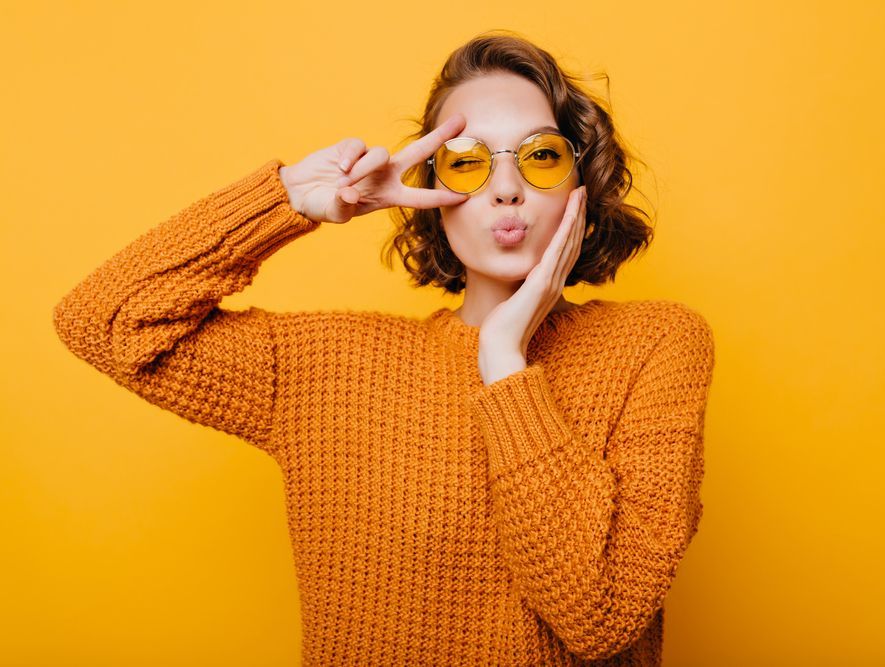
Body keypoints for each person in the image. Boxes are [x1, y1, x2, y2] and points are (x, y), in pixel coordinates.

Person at [52, 30, 715, 667]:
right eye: (469, 162)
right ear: (431, 190)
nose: (507, 189)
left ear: (580, 183)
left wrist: (505, 361)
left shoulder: (656, 346)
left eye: (541, 156)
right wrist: (290, 200)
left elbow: (598, 615)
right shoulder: (326, 367)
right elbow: (103, 320)